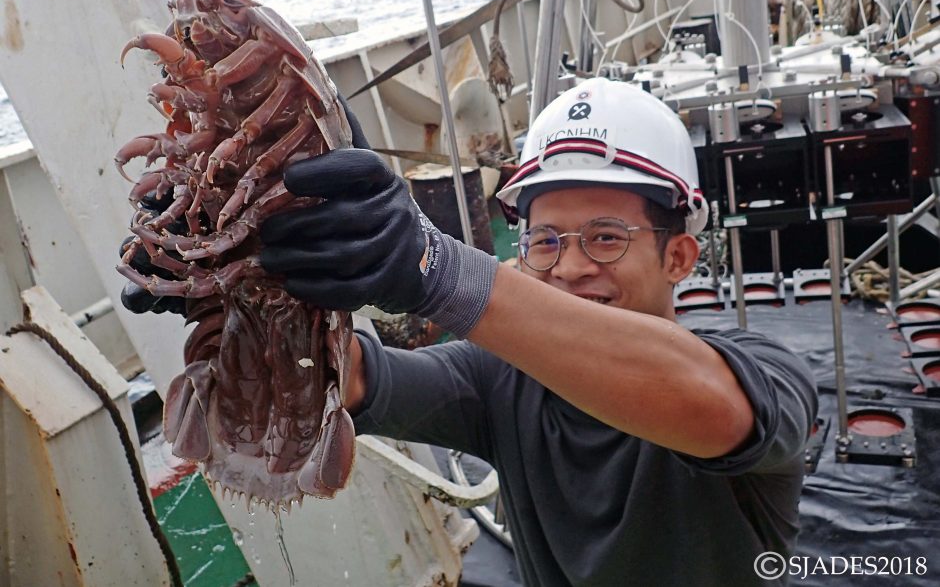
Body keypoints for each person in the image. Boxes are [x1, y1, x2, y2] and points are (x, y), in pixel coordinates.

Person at [125, 78, 818, 586]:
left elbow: (716, 409)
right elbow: (354, 374)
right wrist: (238, 276)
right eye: (546, 241)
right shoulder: (498, 380)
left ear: (679, 257)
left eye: (606, 238)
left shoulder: (765, 373)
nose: (571, 266)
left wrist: (438, 267)